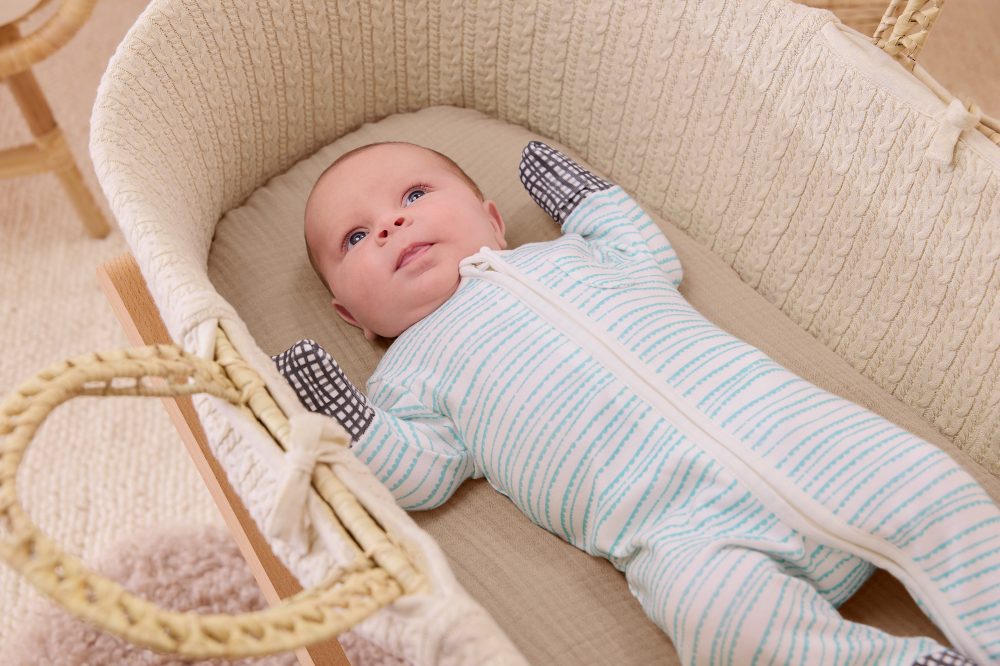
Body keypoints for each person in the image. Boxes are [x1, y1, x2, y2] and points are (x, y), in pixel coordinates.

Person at [283, 140, 1000, 666]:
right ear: (354, 318)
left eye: (413, 196)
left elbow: (649, 253)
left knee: (933, 487)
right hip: (678, 531)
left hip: (798, 432)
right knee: (720, 622)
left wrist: (585, 199)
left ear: (493, 220)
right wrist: (350, 419)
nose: (389, 226)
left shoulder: (569, 256)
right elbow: (418, 472)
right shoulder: (407, 371)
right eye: (354, 237)